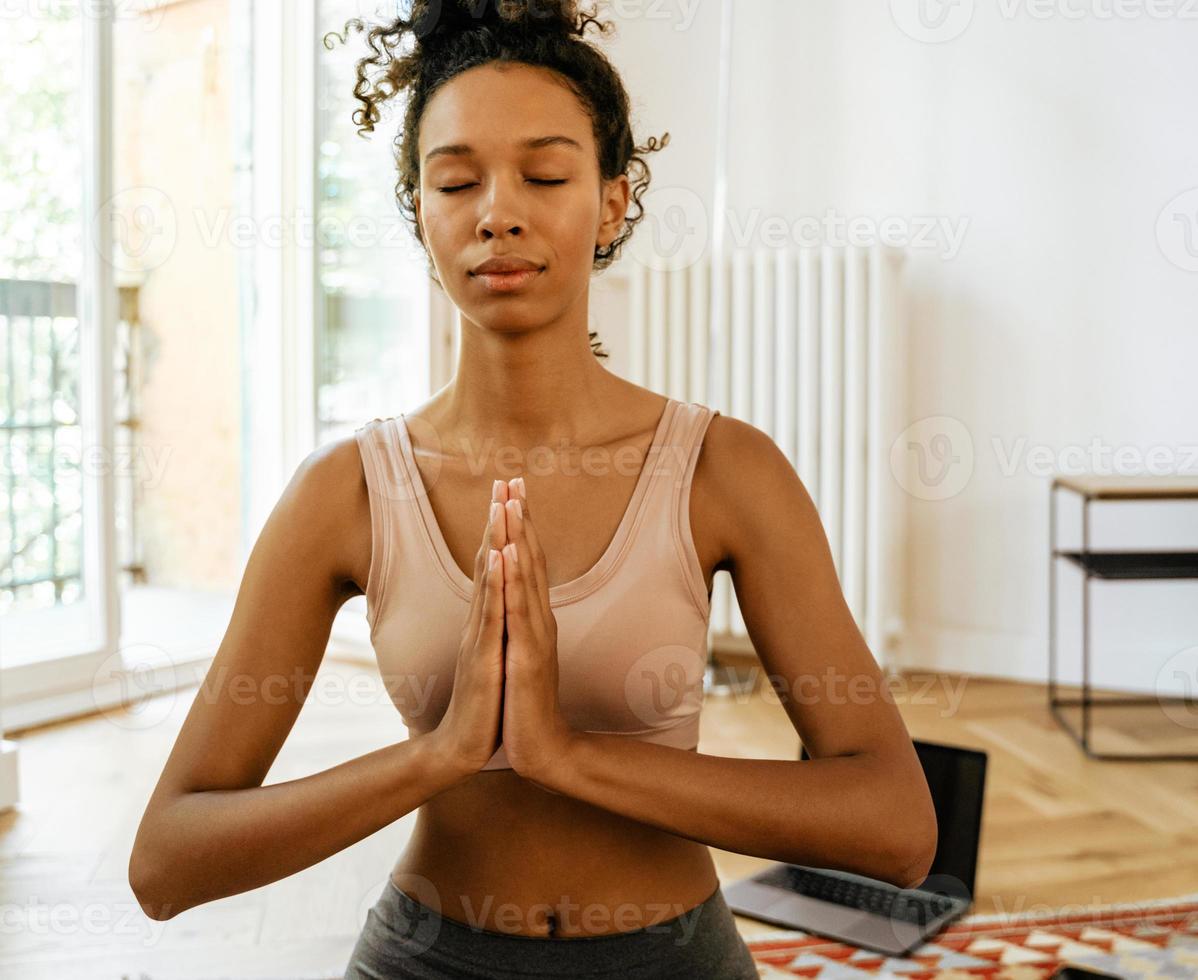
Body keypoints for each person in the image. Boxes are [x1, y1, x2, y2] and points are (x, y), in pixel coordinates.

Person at [128, 2, 936, 976]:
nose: (497, 210)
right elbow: (167, 860)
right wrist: (439, 753)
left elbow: (896, 826)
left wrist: (570, 755)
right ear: (420, 215)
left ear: (612, 201)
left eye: (545, 173)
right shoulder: (344, 492)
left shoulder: (726, 470)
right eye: (455, 179)